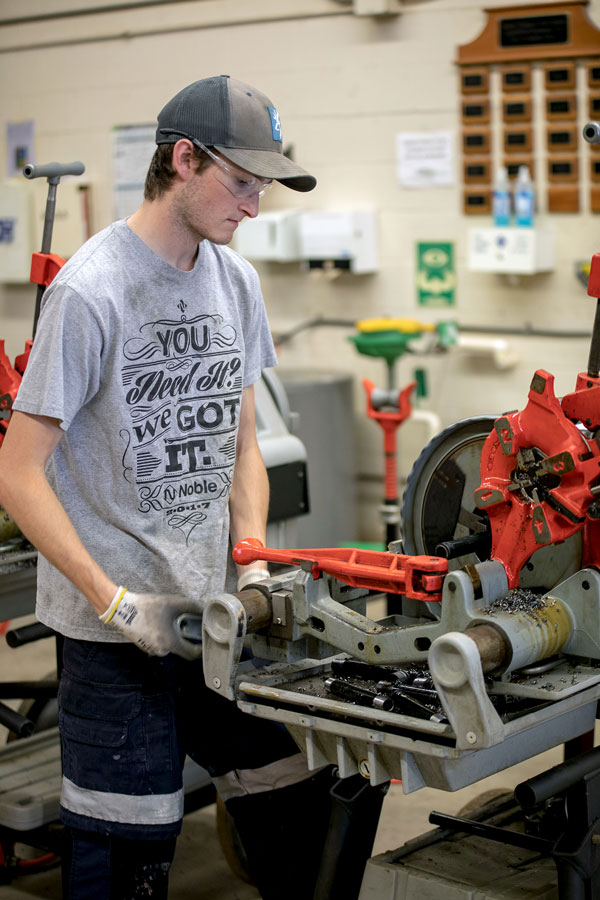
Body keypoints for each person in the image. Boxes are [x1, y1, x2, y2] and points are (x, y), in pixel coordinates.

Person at [0, 75, 336, 899]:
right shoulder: (89, 290)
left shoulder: (236, 283)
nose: (255, 206)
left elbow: (242, 443)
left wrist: (252, 561)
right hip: (116, 639)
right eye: (242, 182)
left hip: (218, 620)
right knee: (128, 859)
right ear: (182, 159)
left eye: (265, 186)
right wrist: (117, 604)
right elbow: (16, 473)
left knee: (303, 802)